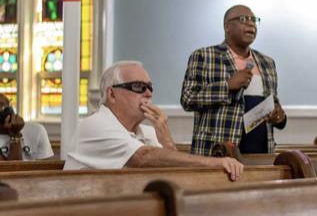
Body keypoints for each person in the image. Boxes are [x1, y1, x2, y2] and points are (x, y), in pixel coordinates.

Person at [64, 61, 243, 181]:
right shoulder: (95, 125)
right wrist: (216, 163)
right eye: (138, 87)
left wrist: (165, 137)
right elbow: (142, 158)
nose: (148, 93)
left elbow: (177, 173)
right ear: (112, 94)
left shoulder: (148, 132)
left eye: (150, 87)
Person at [181, 5, 287, 156]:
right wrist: (227, 86)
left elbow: (273, 105)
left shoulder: (267, 62)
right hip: (218, 154)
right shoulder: (205, 56)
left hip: (261, 156)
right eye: (243, 19)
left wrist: (280, 117)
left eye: (254, 20)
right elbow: (188, 98)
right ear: (227, 26)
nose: (251, 24)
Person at [0, 93, 54, 160]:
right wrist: (15, 135)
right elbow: (12, 169)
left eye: (3, 106)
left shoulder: (37, 131)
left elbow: (47, 167)